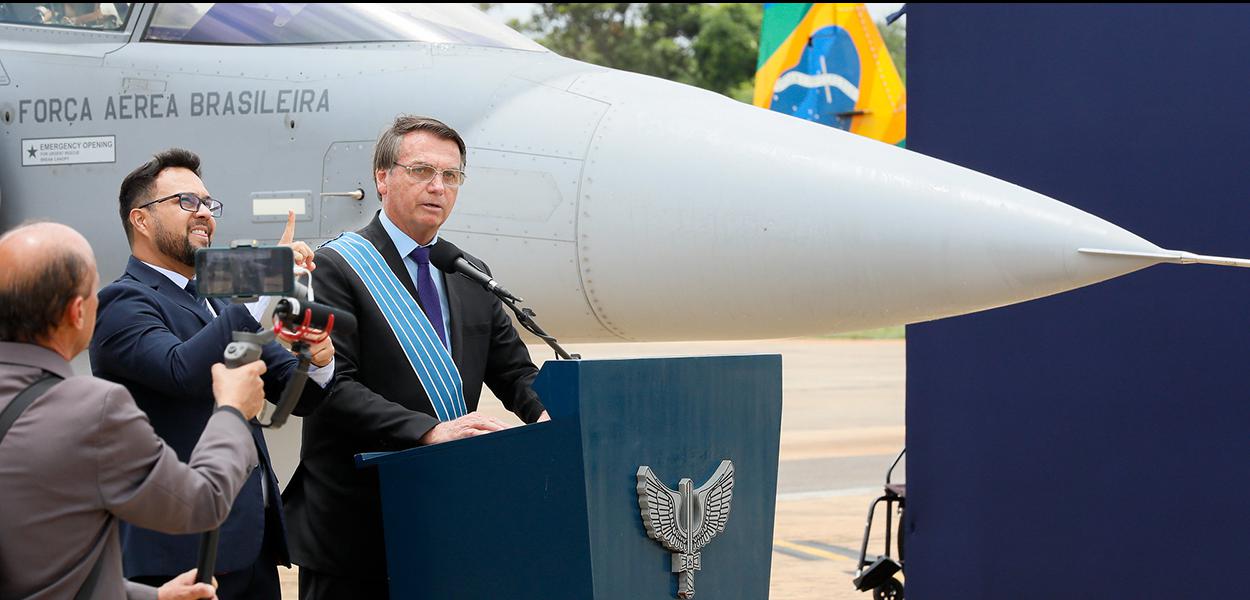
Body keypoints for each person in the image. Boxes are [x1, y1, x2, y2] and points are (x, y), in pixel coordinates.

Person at [283, 115, 549, 598]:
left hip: (445, 516)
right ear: (382, 178)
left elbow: (515, 373)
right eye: (422, 171)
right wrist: (427, 430)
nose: (438, 187)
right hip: (358, 525)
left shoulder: (468, 271)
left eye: (451, 176)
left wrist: (549, 412)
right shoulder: (336, 267)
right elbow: (332, 387)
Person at [90, 148, 334, 599]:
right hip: (177, 557)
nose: (204, 213)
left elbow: (297, 395)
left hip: (251, 544)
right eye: (186, 202)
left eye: (208, 204)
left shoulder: (219, 301)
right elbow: (181, 370)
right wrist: (260, 286)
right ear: (140, 220)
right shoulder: (122, 302)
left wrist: (316, 362)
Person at [0, 221, 269, 600]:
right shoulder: (92, 409)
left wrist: (152, 597)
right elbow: (200, 502)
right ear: (78, 312)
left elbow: (48, 570)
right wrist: (232, 412)